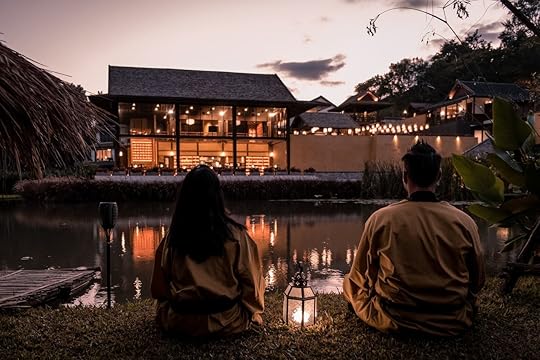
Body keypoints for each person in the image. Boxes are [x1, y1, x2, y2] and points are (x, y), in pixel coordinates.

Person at [343, 141, 485, 336]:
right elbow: (477, 280)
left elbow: (361, 275)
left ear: (404, 177)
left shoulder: (381, 219)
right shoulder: (464, 222)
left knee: (349, 283)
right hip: (452, 319)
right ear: (439, 177)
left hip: (395, 318)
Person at [151, 164, 265, 336]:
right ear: (218, 196)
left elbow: (159, 288)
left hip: (179, 320)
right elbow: (252, 288)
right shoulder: (237, 236)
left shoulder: (173, 237)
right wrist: (251, 312)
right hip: (227, 321)